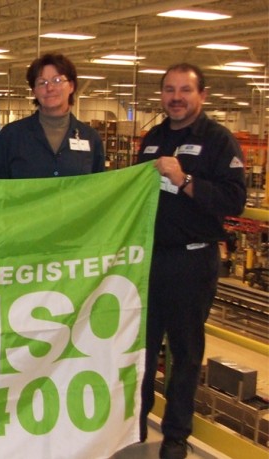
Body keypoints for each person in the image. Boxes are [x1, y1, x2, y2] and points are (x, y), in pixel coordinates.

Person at [137, 63, 246, 459]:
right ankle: (136, 422)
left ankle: (176, 435)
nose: (176, 97)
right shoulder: (153, 137)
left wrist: (185, 181)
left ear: (201, 95)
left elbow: (235, 200)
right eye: (169, 89)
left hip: (193, 263)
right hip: (149, 261)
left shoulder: (218, 141)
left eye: (185, 89)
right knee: (142, 349)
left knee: (184, 353)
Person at [0, 53, 105, 178]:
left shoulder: (91, 138)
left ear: (71, 86)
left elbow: (98, 189)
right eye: (42, 82)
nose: (50, 88)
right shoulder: (11, 136)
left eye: (57, 80)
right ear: (34, 91)